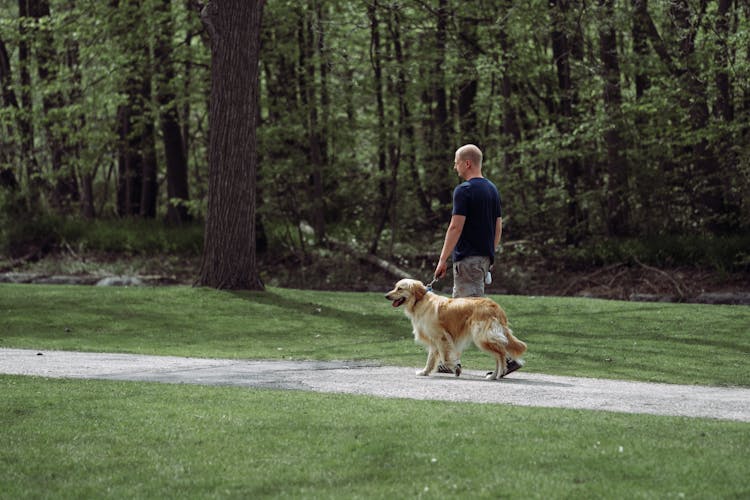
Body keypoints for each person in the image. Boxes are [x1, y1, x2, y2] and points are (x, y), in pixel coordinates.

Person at [433, 144, 521, 376]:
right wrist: (490, 254)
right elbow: (498, 226)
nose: (454, 166)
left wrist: (443, 259)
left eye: (456, 161)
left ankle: (508, 357)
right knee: (467, 313)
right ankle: (449, 361)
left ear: (467, 163)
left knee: (469, 315)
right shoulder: (492, 189)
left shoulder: (464, 190)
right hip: (481, 260)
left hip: (467, 261)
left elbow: (455, 226)